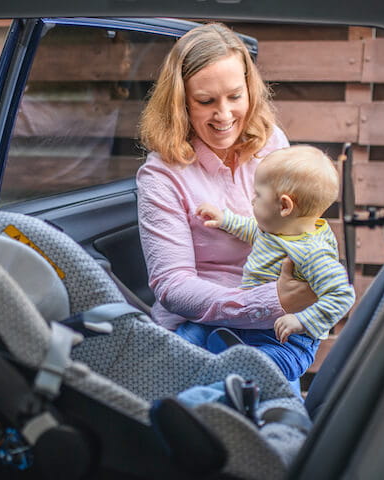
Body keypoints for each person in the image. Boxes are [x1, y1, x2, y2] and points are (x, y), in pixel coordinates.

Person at [136, 22, 317, 389]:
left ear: (250, 90)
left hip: (276, 330)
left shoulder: (273, 143)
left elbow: (297, 232)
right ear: (181, 101)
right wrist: (266, 303)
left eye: (235, 96)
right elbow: (173, 285)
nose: (224, 115)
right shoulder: (161, 175)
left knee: (269, 416)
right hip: (199, 327)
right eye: (206, 101)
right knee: (199, 404)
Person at [196, 145, 356, 381]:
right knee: (204, 345)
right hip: (252, 326)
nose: (252, 200)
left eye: (258, 195)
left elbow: (343, 296)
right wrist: (225, 220)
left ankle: (205, 400)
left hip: (286, 343)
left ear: (284, 206)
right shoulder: (278, 229)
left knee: (252, 374)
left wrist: (301, 320)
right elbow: (253, 230)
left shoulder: (313, 253)